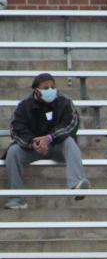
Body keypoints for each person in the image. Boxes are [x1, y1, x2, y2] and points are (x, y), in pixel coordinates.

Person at [6, 73, 87, 210]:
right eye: (46, 88)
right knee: (13, 152)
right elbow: (16, 129)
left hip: (57, 146)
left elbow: (71, 124)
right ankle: (17, 199)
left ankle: (77, 184)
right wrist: (32, 142)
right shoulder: (24, 106)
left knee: (70, 142)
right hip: (33, 148)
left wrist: (49, 138)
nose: (50, 90)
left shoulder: (64, 102)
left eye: (53, 87)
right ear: (36, 90)